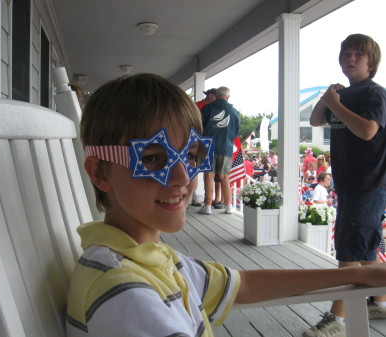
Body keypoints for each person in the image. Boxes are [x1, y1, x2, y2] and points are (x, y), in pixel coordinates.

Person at [66, 73, 386, 337]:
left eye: (192, 155)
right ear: (100, 172)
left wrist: (365, 276)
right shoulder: (125, 293)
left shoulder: (146, 256)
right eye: (152, 158)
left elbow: (244, 284)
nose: (183, 176)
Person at [306, 33, 386, 337]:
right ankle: (379, 301)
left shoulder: (374, 94)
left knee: (349, 253)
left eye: (358, 55)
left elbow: (367, 131)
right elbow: (315, 121)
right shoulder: (342, 95)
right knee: (364, 247)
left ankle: (336, 320)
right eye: (346, 54)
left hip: (367, 183)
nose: (351, 60)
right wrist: (327, 99)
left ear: (371, 62)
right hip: (353, 184)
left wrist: (335, 104)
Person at [199, 86, 240, 215]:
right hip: (225, 147)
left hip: (208, 146)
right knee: (224, 177)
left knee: (209, 176)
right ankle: (228, 206)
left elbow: (199, 126)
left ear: (216, 95)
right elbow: (236, 132)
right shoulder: (234, 112)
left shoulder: (207, 108)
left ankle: (208, 206)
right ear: (228, 97)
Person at [191, 88, 218, 206]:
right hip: (195, 141)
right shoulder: (196, 106)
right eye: (216, 97)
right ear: (211, 96)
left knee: (205, 171)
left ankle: (202, 198)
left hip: (205, 143)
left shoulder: (213, 109)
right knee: (193, 168)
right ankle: (193, 197)